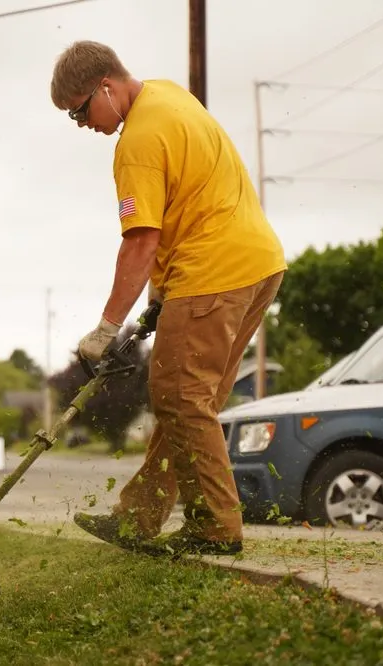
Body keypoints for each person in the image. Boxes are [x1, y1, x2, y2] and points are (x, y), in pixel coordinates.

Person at [49, 41, 287, 557]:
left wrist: (107, 328)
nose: (82, 124)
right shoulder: (168, 96)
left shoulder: (136, 141)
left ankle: (216, 529)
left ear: (106, 88)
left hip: (214, 271)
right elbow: (188, 199)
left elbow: (140, 240)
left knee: (179, 397)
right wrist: (159, 296)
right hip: (257, 264)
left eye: (79, 110)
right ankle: (138, 518)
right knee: (187, 400)